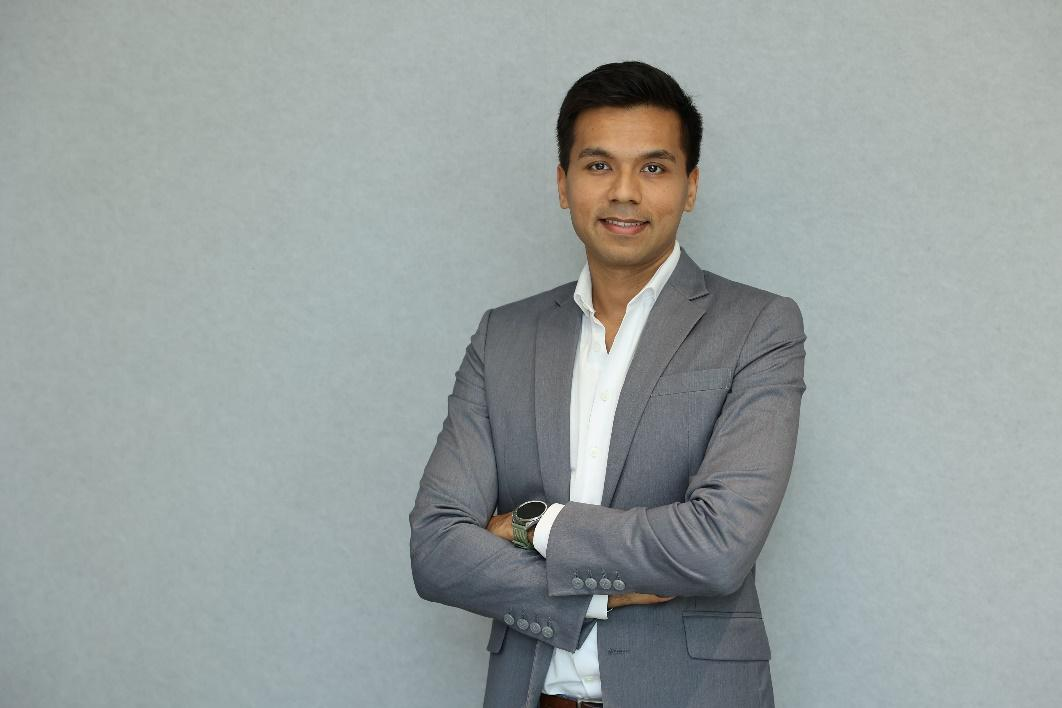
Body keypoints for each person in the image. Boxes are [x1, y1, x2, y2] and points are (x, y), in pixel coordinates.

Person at [410, 60, 806, 708]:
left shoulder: (758, 327)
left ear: (691, 186)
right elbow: (436, 547)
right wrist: (597, 594)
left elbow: (717, 547)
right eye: (598, 165)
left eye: (654, 168)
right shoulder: (502, 337)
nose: (625, 191)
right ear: (562, 183)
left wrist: (534, 526)